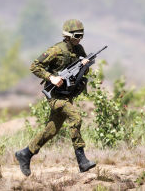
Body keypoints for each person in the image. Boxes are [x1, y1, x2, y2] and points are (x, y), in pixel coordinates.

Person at [15, 19, 96, 176]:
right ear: (67, 35)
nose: (80, 38)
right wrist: (51, 77)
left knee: (51, 130)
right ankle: (82, 161)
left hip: (66, 95)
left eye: (82, 35)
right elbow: (34, 66)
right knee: (76, 117)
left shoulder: (79, 50)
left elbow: (80, 74)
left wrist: (85, 65)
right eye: (77, 35)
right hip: (54, 96)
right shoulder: (56, 50)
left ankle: (25, 153)